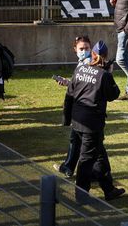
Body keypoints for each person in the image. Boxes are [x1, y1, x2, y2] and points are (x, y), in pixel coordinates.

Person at [64, 40, 125, 201]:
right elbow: (113, 95)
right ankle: (81, 194)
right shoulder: (104, 75)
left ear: (92, 54)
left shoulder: (80, 69)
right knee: (86, 160)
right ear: (105, 57)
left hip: (77, 120)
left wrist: (67, 117)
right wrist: (109, 74)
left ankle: (109, 189)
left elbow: (69, 95)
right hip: (91, 125)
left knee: (99, 156)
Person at [53, 35, 92, 178]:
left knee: (90, 145)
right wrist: (68, 83)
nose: (84, 51)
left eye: (86, 48)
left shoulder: (89, 63)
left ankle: (73, 168)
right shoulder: (81, 63)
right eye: (81, 48)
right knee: (76, 139)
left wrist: (70, 85)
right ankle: (68, 167)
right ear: (75, 49)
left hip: (85, 109)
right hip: (81, 108)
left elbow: (86, 87)